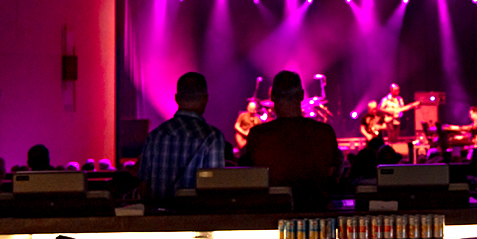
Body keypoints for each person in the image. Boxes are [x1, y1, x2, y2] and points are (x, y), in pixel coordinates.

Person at [240, 70, 341, 211]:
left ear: (272, 97)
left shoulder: (258, 135)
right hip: (316, 218)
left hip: (271, 217)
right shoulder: (324, 133)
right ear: (301, 95)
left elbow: (249, 177)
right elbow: (334, 176)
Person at [137, 71, 226, 204]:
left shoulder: (155, 136)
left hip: (158, 221)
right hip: (194, 221)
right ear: (205, 99)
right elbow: (214, 190)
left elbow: (143, 188)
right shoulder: (213, 137)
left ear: (176, 98)